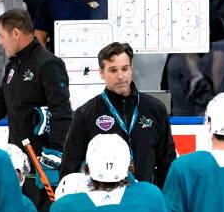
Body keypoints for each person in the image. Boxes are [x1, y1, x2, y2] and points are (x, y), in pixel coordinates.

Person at [0, 8, 73, 212]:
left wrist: (55, 151)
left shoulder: (48, 64)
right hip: (19, 164)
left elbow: (61, 110)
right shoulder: (13, 66)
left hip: (42, 164)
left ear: (16, 33)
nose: (0, 42)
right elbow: (0, 104)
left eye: (1, 35)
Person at [60, 42, 176, 188]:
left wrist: (161, 199)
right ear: (101, 73)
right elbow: (70, 168)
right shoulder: (86, 114)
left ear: (131, 69)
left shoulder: (155, 109)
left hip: (144, 200)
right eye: (113, 70)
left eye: (125, 69)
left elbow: (167, 162)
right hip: (104, 203)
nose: (121, 76)